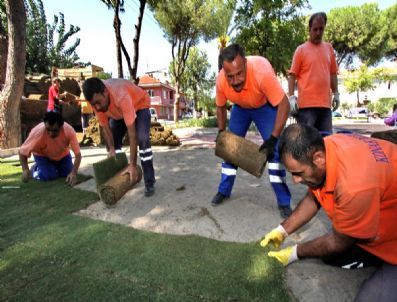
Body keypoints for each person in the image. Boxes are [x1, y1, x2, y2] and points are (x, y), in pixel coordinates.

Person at [261, 123, 397, 301]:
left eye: (299, 173)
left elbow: (336, 242)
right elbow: (314, 196)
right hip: (378, 211)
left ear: (318, 158)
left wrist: (294, 253)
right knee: (329, 256)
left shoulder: (354, 186)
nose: (295, 180)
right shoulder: (328, 146)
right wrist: (282, 230)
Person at [211, 43, 292, 218]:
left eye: (239, 73)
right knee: (229, 149)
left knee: (275, 153)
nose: (236, 80)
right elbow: (220, 107)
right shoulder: (220, 81)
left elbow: (284, 104)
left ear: (245, 64)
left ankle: (284, 201)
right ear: (224, 72)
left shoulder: (262, 73)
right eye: (230, 76)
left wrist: (273, 138)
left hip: (264, 106)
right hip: (240, 108)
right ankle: (224, 191)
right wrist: (221, 132)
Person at [82, 77, 155, 197]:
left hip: (140, 105)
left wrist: (132, 164)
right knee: (113, 143)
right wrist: (111, 148)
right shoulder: (97, 103)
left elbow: (132, 135)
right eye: (94, 104)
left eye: (98, 102)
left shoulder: (121, 95)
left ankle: (149, 181)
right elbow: (106, 129)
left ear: (105, 92)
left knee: (143, 139)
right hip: (119, 113)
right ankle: (120, 177)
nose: (98, 108)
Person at [288, 12, 339, 135]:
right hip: (306, 108)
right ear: (309, 29)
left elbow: (333, 73)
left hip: (325, 106)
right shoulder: (301, 50)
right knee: (306, 142)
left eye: (321, 29)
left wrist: (336, 93)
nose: (318, 33)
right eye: (315, 29)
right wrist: (291, 97)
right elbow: (292, 75)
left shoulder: (329, 49)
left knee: (326, 142)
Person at [19, 111, 81, 186]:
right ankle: (35, 168)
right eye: (48, 129)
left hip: (62, 154)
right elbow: (22, 152)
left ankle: (52, 167)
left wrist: (74, 173)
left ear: (61, 127)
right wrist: (25, 169)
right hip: (42, 155)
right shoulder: (37, 131)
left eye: (55, 130)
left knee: (68, 173)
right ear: (45, 125)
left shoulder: (69, 130)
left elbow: (78, 155)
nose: (51, 134)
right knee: (49, 176)